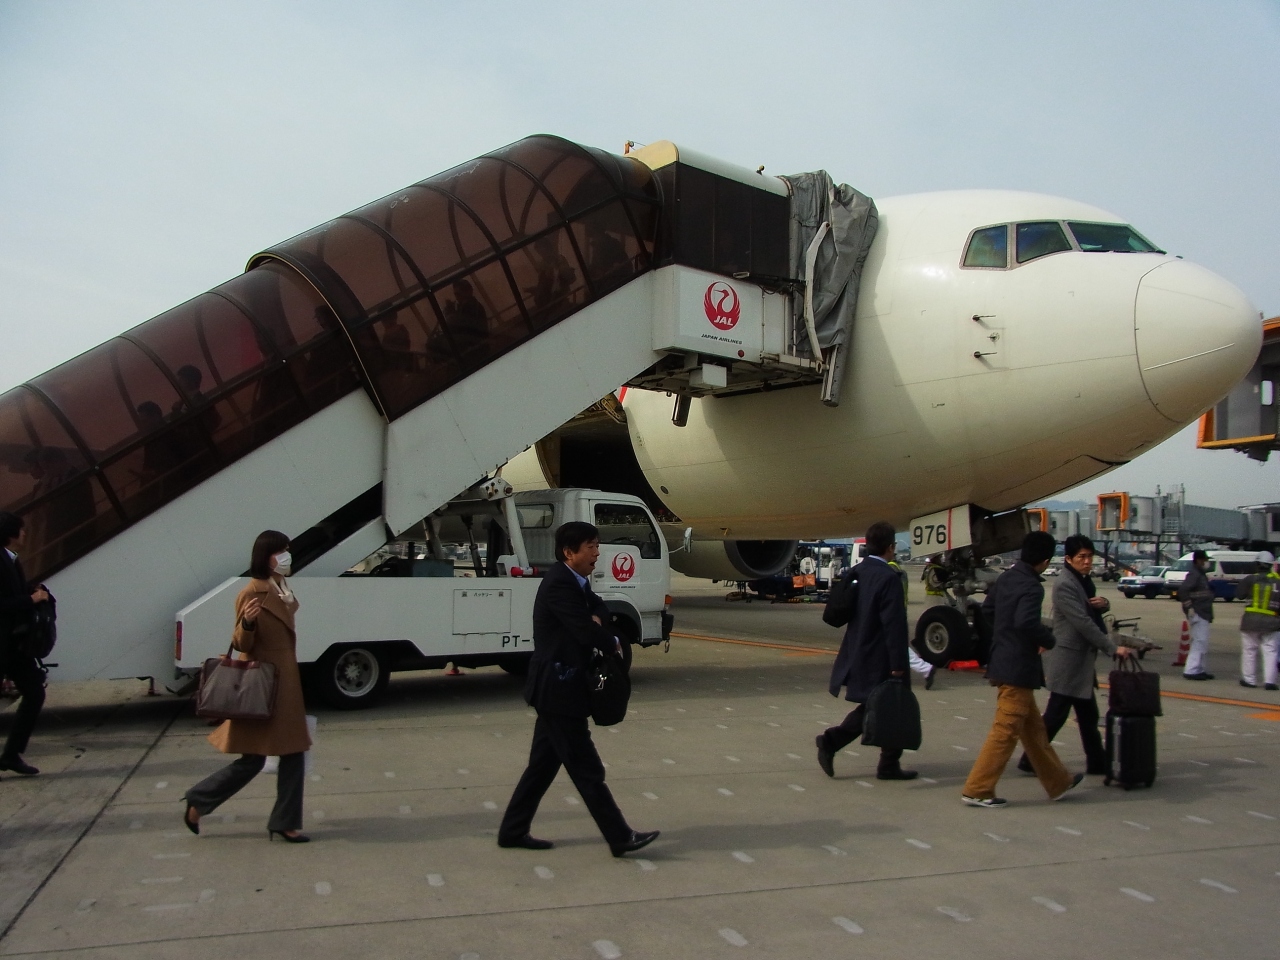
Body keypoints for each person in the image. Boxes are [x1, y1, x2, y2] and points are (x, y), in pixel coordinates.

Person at [497, 521, 658, 857]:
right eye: (591, 547)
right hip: (558, 690)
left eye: (597, 546)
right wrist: (612, 638)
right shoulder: (559, 584)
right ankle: (619, 836)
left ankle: (512, 831)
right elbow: (585, 632)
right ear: (569, 552)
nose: (597, 553)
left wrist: (598, 620)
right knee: (588, 770)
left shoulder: (576, 581)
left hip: (559, 689)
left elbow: (599, 608)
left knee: (541, 767)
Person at [183, 531, 312, 842]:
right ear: (264, 555)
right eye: (280, 551)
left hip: (285, 682)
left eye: (287, 550)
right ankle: (200, 799)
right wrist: (249, 623)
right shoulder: (252, 592)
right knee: (254, 759)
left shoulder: (281, 586)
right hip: (264, 682)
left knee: (294, 751)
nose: (286, 556)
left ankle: (284, 820)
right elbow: (241, 642)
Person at [961, 531, 1084, 807]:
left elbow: (988, 611)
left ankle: (1058, 782)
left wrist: (1003, 636)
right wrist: (1048, 639)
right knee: (1005, 731)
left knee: (1034, 732)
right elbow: (1026, 622)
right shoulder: (1032, 586)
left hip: (1003, 660)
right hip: (1017, 667)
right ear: (1045, 559)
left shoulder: (1006, 578)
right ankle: (977, 788)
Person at [1017, 535, 1132, 776]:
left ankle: (1097, 761)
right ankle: (1032, 758)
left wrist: (1105, 604)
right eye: (1082, 557)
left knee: (1088, 716)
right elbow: (1083, 622)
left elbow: (1090, 610)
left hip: (1081, 661)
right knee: (1057, 715)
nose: (1087, 562)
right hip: (1069, 659)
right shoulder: (1065, 584)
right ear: (1068, 559)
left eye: (1090, 556)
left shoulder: (1082, 580)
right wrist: (1112, 647)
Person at [816, 521, 918, 781]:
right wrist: (898, 663)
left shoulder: (858, 571)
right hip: (881, 654)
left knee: (881, 707)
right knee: (886, 705)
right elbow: (893, 625)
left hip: (858, 649)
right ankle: (833, 742)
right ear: (891, 547)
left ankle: (887, 763)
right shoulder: (888, 578)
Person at [0, 512, 50, 775]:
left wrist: (33, 592)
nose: (25, 534)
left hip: (14, 645)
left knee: (34, 692)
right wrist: (29, 600)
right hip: (4, 643)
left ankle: (11, 754)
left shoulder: (11, 559)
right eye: (22, 530)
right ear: (11, 534)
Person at [887, 557, 937, 689]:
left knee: (897, 646)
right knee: (893, 646)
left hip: (892, 613)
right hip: (898, 611)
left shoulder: (890, 569)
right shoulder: (898, 569)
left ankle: (926, 668)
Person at [1235, 551, 1280, 690]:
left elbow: (1239, 595)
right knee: (1271, 652)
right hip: (1272, 622)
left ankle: (1250, 680)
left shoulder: (1250, 579)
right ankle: (1270, 682)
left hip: (1250, 621)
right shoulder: (1277, 582)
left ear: (1257, 564)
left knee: (1249, 651)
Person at [1181, 550, 1215, 681]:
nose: (1207, 562)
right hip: (1198, 612)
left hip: (1203, 612)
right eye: (1205, 560)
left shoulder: (1201, 575)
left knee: (1203, 642)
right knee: (1199, 642)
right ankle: (1191, 669)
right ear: (1199, 560)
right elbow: (1183, 590)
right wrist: (1189, 607)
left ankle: (1200, 669)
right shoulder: (1194, 575)